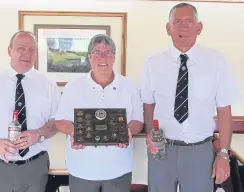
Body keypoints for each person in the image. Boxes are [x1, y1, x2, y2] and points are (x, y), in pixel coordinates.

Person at [140, 3, 241, 192]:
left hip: (199, 151)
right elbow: (148, 103)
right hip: (162, 151)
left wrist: (224, 155)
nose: (183, 27)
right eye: (177, 21)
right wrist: (148, 134)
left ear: (199, 27)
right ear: (168, 29)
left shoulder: (217, 62)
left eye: (189, 21)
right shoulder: (153, 63)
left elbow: (224, 111)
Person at [0, 31, 61, 192]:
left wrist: (39, 134)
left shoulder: (48, 85)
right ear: (10, 50)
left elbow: (57, 122)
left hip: (36, 167)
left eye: (32, 49)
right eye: (21, 48)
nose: (27, 54)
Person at [54, 34, 144, 192]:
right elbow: (60, 121)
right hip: (82, 168)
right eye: (97, 52)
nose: (103, 57)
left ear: (114, 57)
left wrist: (128, 131)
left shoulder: (129, 86)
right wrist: (74, 131)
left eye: (108, 52)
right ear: (89, 57)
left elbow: (138, 121)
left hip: (119, 168)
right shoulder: (73, 87)